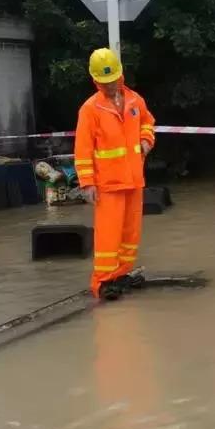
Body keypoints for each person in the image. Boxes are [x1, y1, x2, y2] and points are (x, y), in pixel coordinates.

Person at [74, 48, 156, 301]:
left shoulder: (134, 100)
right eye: (104, 83)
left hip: (133, 179)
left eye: (112, 82)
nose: (109, 87)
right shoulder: (90, 109)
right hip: (108, 184)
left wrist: (146, 140)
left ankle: (122, 274)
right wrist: (87, 183)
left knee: (130, 233)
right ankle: (103, 283)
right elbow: (83, 148)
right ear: (95, 81)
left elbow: (147, 122)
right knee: (108, 237)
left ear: (120, 76)